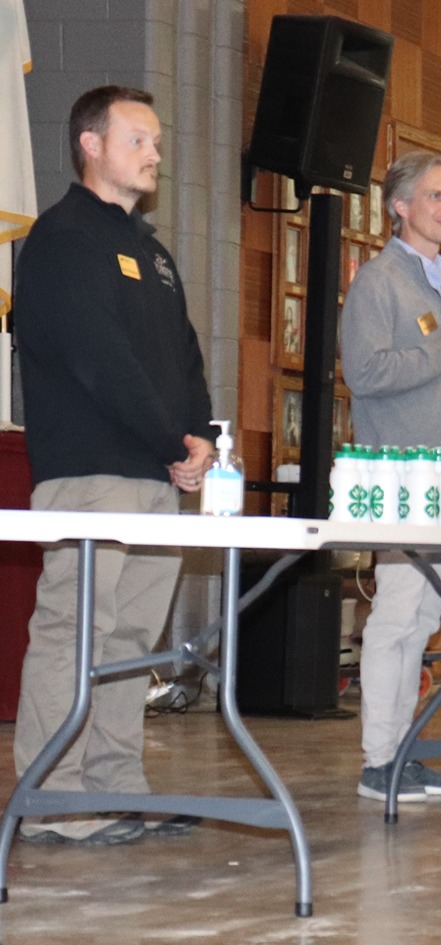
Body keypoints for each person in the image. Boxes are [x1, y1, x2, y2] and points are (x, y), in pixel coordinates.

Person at [12, 86, 215, 845]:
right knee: (76, 630)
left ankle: (116, 783)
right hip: (92, 469)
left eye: (157, 142)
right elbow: (100, 361)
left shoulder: (153, 253)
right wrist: (171, 438)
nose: (155, 154)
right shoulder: (63, 238)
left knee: (133, 638)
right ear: (90, 144)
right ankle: (53, 797)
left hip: (159, 473)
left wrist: (198, 435)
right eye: (139, 140)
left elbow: (184, 356)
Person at [341, 150, 441, 803]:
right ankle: (379, 759)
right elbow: (367, 373)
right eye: (436, 197)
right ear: (399, 206)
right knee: (399, 613)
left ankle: (404, 751)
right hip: (400, 472)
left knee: (428, 613)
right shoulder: (380, 282)